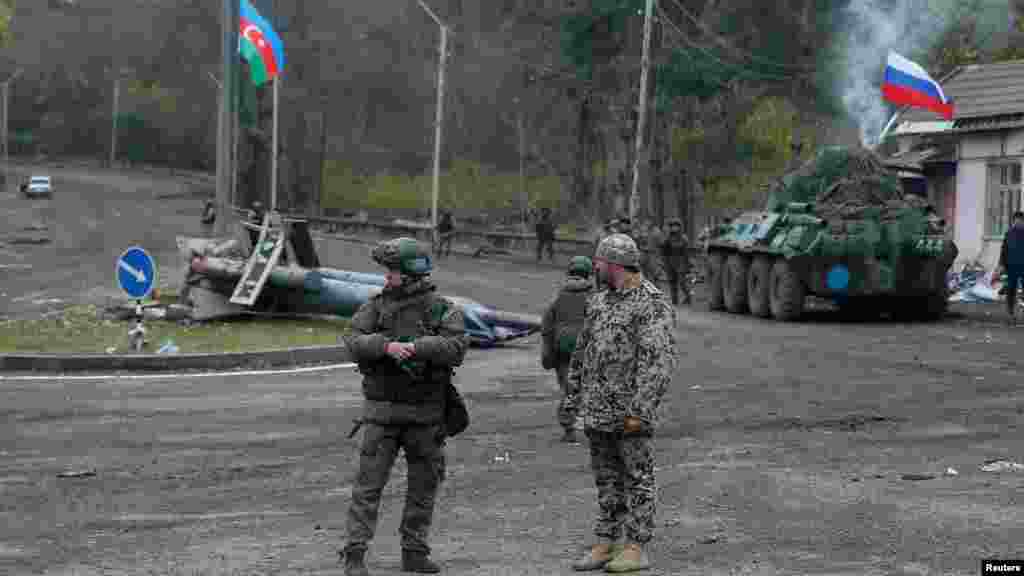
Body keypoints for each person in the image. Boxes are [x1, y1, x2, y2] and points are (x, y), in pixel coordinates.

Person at [339, 237, 469, 576]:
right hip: (381, 415)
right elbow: (351, 341)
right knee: (367, 488)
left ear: (410, 275)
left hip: (426, 417)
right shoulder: (375, 306)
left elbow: (457, 347)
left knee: (423, 489)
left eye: (392, 272)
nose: (387, 277)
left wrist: (417, 347)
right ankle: (354, 554)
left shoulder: (443, 309)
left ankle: (414, 552)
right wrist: (386, 347)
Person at [565, 233, 677, 573]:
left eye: (599, 262)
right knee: (607, 480)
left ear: (614, 264)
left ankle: (635, 547)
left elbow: (657, 362)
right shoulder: (599, 301)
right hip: (598, 410)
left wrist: (640, 411)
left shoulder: (651, 303)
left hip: (629, 413)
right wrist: (573, 397)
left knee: (638, 478)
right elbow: (583, 352)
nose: (595, 268)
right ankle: (606, 541)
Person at [541, 255, 595, 444]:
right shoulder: (595, 297)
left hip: (562, 349)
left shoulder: (559, 296)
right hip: (587, 349)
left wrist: (547, 349)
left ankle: (568, 427)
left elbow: (547, 324)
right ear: (589, 273)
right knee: (588, 388)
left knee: (568, 388)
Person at [994, 211, 1024, 325]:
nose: (1018, 222)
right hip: (1011, 267)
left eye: (1020, 220)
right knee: (1011, 290)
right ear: (1013, 221)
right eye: (1016, 220)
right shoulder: (1009, 233)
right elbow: (1004, 250)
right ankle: (1010, 313)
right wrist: (1001, 264)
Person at [660, 217, 691, 306]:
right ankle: (674, 300)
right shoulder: (667, 238)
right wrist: (664, 263)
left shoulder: (683, 238)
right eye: (672, 226)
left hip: (681, 261)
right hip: (670, 261)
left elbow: (686, 253)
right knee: (672, 282)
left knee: (682, 282)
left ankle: (688, 296)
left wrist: (687, 265)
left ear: (679, 227)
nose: (674, 228)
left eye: (676, 226)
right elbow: (663, 249)